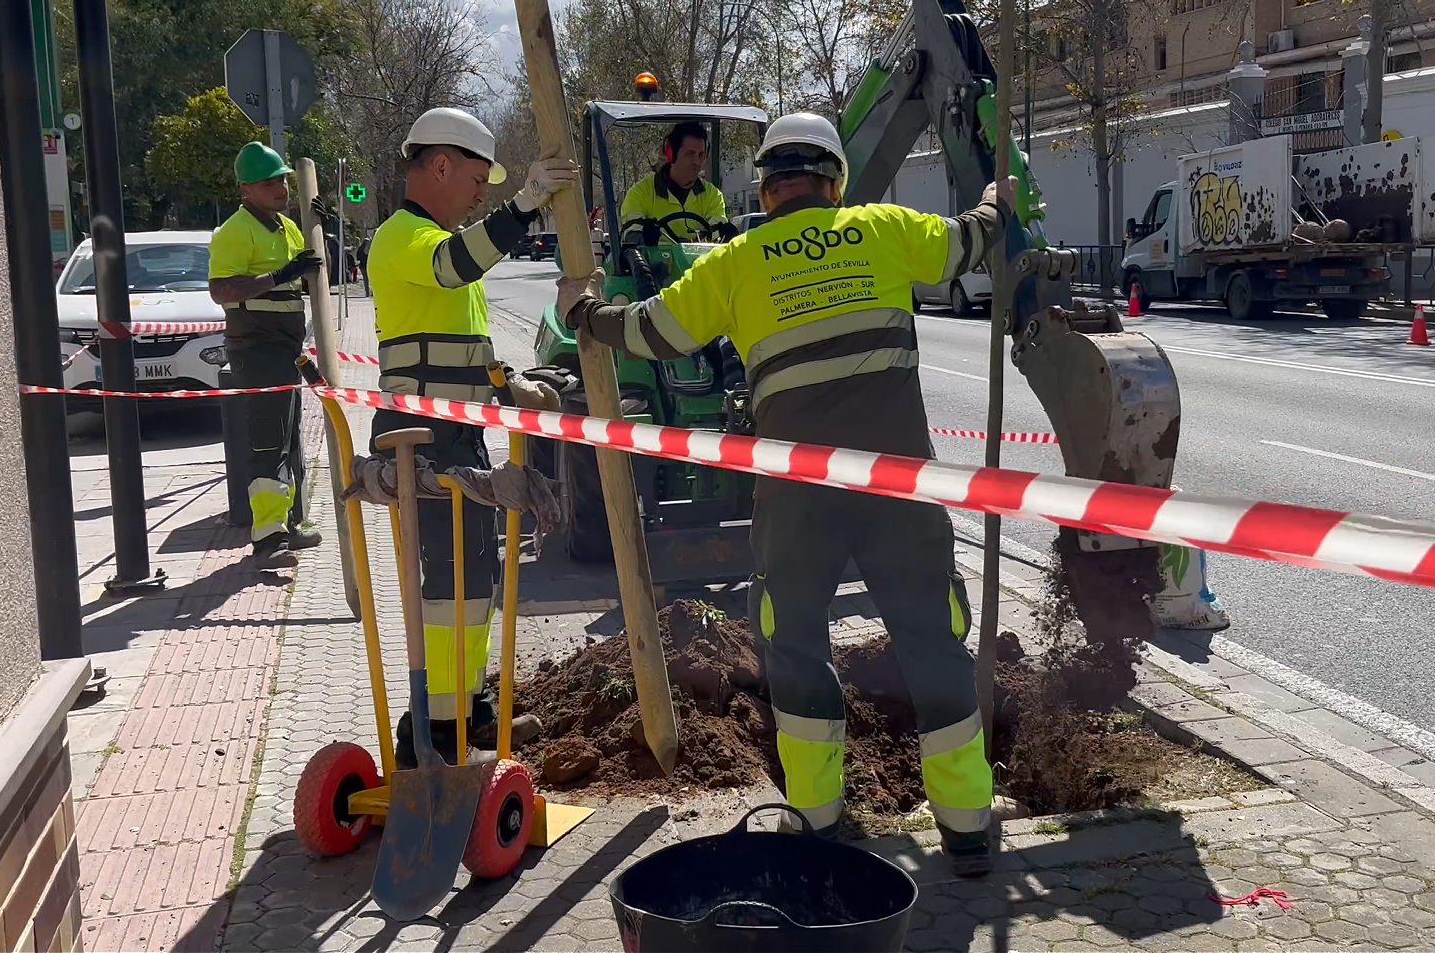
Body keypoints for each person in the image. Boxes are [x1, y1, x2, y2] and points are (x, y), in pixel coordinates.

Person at [556, 111, 1006, 876]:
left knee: (793, 645)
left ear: (765, 190)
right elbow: (971, 241)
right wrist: (999, 199)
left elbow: (650, 332)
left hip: (798, 492)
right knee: (932, 637)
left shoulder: (736, 261)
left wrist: (583, 314)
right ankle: (965, 829)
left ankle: (821, 825)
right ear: (835, 182)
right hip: (899, 483)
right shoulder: (885, 226)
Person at [367, 106, 578, 764]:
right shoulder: (405, 237)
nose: (481, 191)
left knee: (476, 578)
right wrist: (525, 206)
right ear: (439, 166)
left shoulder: (436, 244)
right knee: (450, 582)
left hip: (455, 434)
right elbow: (453, 267)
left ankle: (469, 709)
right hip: (421, 440)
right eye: (478, 178)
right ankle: (432, 726)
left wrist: (506, 387)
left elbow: (460, 352)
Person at [208, 142, 323, 568]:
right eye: (268, 183)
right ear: (246, 190)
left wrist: (317, 240)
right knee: (268, 442)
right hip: (256, 348)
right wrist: (280, 275)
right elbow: (222, 290)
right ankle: (268, 537)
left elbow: (305, 279)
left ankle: (290, 522)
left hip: (286, 347)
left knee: (289, 437)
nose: (280, 189)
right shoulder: (236, 231)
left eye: (282, 181)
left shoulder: (288, 228)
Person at [618, 122, 728, 240]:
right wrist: (645, 238)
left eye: (701, 155)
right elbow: (632, 237)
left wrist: (726, 235)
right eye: (690, 154)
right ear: (671, 154)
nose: (696, 162)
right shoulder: (639, 193)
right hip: (652, 259)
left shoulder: (712, 195)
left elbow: (718, 235)